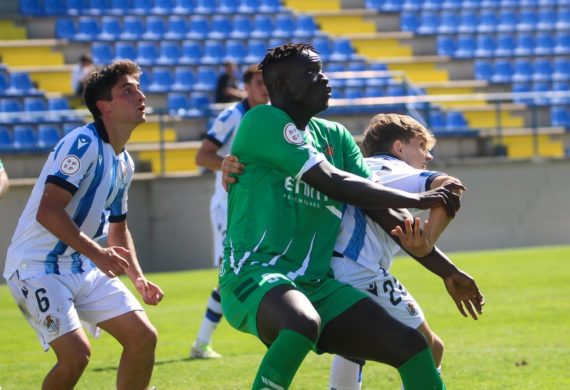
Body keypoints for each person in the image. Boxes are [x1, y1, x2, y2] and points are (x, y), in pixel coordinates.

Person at [218, 43, 482, 390]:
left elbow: (380, 211)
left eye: (322, 70)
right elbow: (335, 182)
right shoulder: (262, 120)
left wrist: (447, 271)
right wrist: (420, 197)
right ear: (281, 86)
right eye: (311, 73)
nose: (324, 80)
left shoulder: (336, 137)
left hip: (316, 284)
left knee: (414, 348)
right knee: (300, 323)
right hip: (253, 274)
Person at [3, 60, 164, 390]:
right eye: (127, 90)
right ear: (104, 106)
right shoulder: (83, 143)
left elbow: (119, 229)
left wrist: (138, 278)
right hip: (35, 266)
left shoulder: (124, 162)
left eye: (138, 88)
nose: (140, 95)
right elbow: (48, 211)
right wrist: (99, 254)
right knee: (76, 354)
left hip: (82, 265)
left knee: (143, 337)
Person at [328, 113, 478, 390]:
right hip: (360, 271)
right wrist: (428, 240)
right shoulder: (389, 168)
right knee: (430, 348)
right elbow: (451, 186)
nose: (428, 156)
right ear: (398, 148)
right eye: (421, 146)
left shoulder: (353, 169)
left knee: (352, 346)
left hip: (329, 270)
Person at [190, 64, 269, 359]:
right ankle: (201, 343)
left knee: (247, 271)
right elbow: (202, 155)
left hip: (257, 206)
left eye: (267, 82)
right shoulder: (232, 115)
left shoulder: (270, 117)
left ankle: (201, 344)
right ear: (245, 87)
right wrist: (235, 167)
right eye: (258, 82)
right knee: (230, 275)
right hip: (228, 206)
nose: (265, 88)